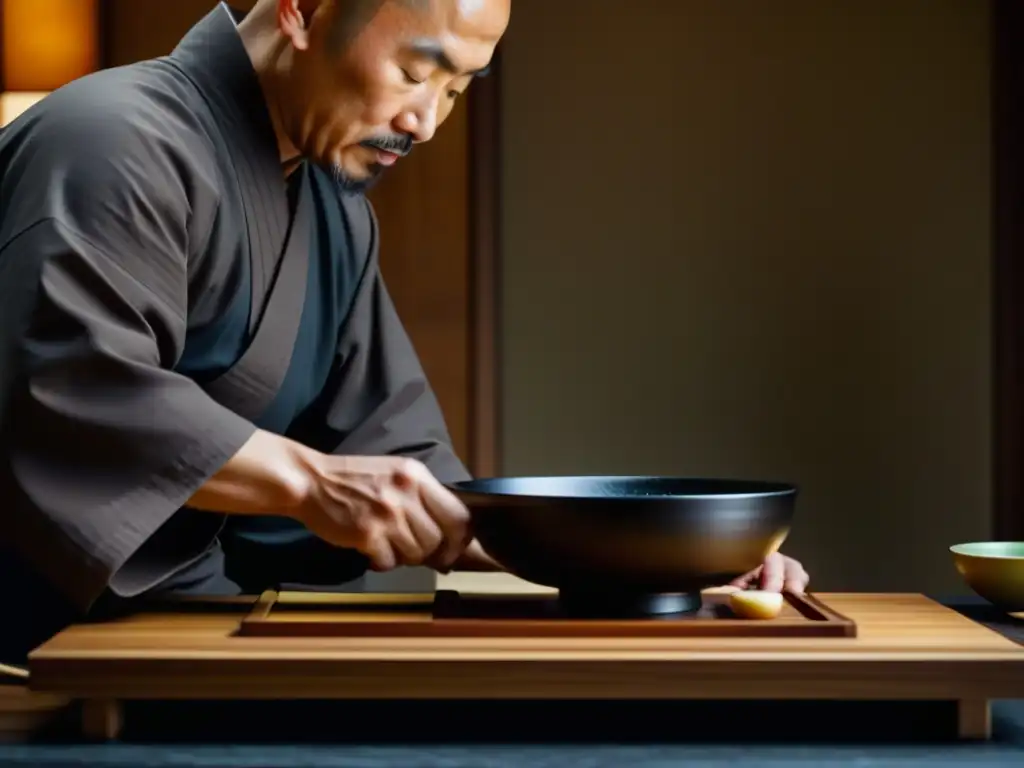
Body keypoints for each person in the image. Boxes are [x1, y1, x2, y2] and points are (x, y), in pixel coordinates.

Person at [0, 0, 808, 663]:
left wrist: (667, 568)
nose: (425, 121)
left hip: (176, 646)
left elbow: (405, 471)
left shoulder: (331, 210)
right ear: (303, 11)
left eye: (458, 89)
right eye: (415, 71)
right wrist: (309, 483)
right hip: (41, 654)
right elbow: (68, 388)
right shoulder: (105, 140)